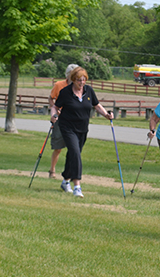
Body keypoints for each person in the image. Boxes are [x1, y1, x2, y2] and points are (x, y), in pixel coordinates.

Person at [51, 66, 113, 198]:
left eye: (84, 80)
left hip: (82, 128)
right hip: (67, 127)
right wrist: (53, 115)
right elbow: (55, 106)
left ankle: (65, 180)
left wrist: (106, 115)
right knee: (75, 153)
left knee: (73, 154)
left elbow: (96, 105)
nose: (82, 82)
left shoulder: (89, 91)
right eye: (79, 80)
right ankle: (77, 186)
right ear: (73, 79)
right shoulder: (66, 92)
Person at [48, 64, 79, 178]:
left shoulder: (79, 86)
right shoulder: (59, 85)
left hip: (74, 120)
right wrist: (55, 110)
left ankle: (70, 173)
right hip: (61, 120)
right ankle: (52, 170)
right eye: (73, 74)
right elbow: (51, 98)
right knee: (58, 148)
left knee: (73, 149)